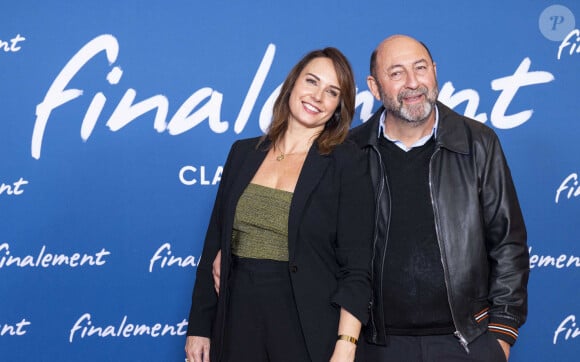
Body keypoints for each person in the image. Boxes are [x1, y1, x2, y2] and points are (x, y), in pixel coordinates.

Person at [185, 47, 374, 362]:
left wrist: (346, 343)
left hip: (306, 326)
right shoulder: (243, 153)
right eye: (311, 82)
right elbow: (213, 247)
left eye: (331, 92)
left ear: (339, 107)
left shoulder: (347, 162)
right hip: (237, 321)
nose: (317, 96)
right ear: (292, 84)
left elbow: (357, 267)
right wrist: (200, 327)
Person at [349, 34, 530, 361]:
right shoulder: (351, 152)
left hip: (467, 342)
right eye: (397, 73)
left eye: (420, 68)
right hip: (375, 346)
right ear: (374, 87)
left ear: (435, 71)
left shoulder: (478, 143)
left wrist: (501, 335)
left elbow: (508, 243)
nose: (413, 82)